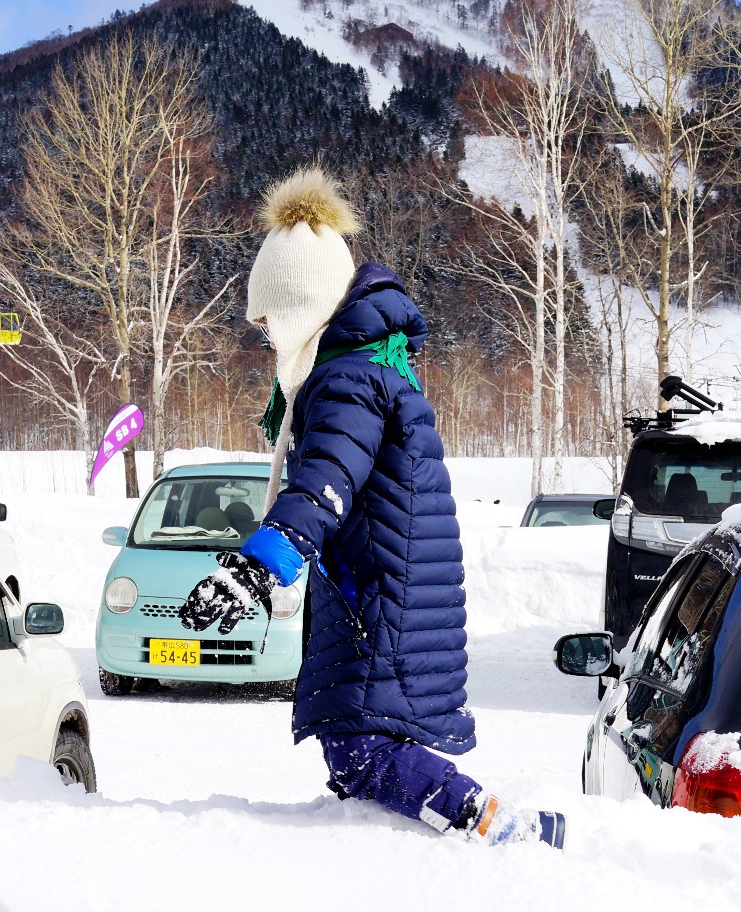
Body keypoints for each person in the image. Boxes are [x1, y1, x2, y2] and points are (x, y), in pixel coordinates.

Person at [180, 167, 565, 849]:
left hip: (381, 599)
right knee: (357, 749)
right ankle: (402, 849)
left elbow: (325, 483)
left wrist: (255, 568)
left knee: (360, 746)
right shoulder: (370, 366)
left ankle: (507, 832)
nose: (267, 335)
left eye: (270, 319)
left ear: (302, 309)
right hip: (387, 587)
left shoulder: (347, 381)